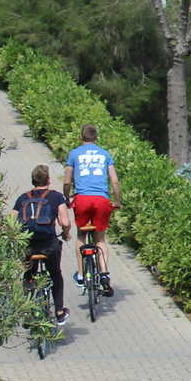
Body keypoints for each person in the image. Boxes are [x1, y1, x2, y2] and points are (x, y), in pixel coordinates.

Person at [64, 123, 121, 295]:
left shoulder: (74, 154)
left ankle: (81, 275)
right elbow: (115, 181)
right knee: (100, 238)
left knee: (81, 235)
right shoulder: (105, 154)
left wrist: (66, 198)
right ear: (96, 138)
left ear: (81, 137)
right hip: (101, 200)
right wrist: (117, 200)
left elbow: (67, 181)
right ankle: (104, 273)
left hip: (81, 199)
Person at [12, 164, 73, 325]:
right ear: (49, 180)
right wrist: (66, 234)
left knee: (29, 274)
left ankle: (27, 312)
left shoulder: (23, 198)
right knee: (55, 274)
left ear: (33, 180)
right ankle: (59, 312)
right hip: (49, 245)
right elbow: (65, 222)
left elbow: (10, 222)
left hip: (28, 245)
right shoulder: (56, 197)